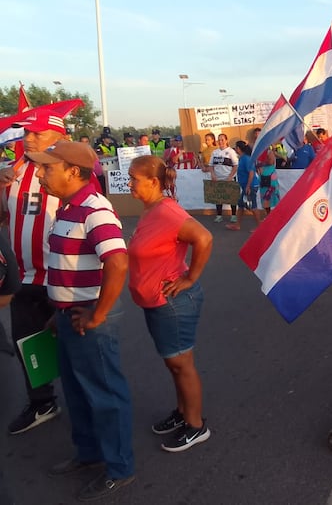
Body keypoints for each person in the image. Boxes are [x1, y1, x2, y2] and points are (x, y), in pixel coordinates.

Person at [27, 140, 134, 501]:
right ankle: (89, 453)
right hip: (70, 316)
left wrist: (98, 313)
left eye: (48, 168)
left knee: (105, 395)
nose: (41, 174)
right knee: (77, 392)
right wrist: (59, 311)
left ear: (74, 171)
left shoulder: (94, 209)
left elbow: (118, 262)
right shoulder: (69, 208)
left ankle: (119, 467)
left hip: (91, 319)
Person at [126, 154, 213, 451]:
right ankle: (182, 413)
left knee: (181, 364)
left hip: (173, 303)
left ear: (152, 182)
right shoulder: (151, 209)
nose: (129, 183)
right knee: (173, 364)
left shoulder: (167, 212)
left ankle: (196, 424)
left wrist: (189, 278)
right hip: (156, 302)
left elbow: (203, 237)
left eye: (134, 179)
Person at [0, 110, 69, 435]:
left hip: (60, 279)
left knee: (72, 346)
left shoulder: (69, 172)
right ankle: (42, 402)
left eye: (37, 134)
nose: (28, 138)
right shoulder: (13, 172)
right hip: (23, 278)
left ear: (58, 137)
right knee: (28, 344)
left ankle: (84, 406)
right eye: (27, 133)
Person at [227, 141, 263, 231]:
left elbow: (251, 172)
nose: (235, 149)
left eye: (236, 148)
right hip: (246, 186)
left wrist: (248, 186)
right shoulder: (243, 158)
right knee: (241, 205)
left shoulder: (246, 159)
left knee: (253, 206)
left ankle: (260, 226)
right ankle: (237, 224)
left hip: (250, 186)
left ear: (239, 149)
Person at [209, 133, 238, 223]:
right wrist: (213, 175)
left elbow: (235, 165)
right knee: (218, 198)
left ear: (226, 140)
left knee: (232, 198)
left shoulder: (231, 152)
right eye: (219, 140)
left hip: (228, 178)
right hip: (218, 178)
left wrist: (230, 176)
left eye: (222, 139)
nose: (220, 141)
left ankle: (233, 215)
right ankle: (219, 215)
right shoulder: (215, 152)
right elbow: (211, 165)